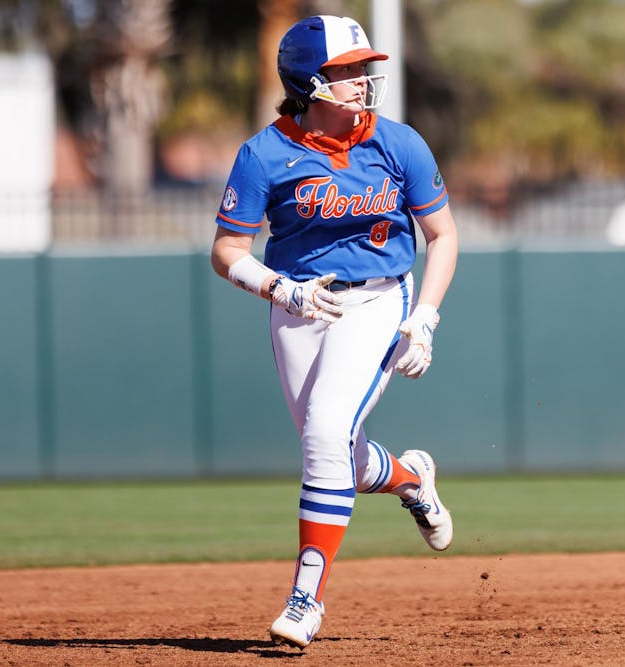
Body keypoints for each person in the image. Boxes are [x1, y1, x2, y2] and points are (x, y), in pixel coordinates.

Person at [209, 15, 458, 649]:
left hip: (377, 300)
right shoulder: (264, 153)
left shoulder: (398, 142)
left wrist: (423, 316)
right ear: (309, 81)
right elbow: (228, 250)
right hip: (298, 306)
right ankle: (409, 477)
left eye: (361, 68)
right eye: (346, 71)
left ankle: (305, 598)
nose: (362, 80)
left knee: (324, 433)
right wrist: (277, 287)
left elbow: (442, 235)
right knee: (336, 453)